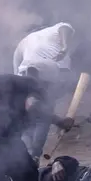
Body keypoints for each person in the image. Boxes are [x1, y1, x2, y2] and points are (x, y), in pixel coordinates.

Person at [13, 22, 77, 160]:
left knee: (29, 117)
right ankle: (34, 155)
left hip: (26, 73)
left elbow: (16, 73)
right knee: (42, 117)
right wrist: (65, 47)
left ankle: (28, 154)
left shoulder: (22, 43)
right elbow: (65, 27)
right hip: (49, 73)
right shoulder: (53, 30)